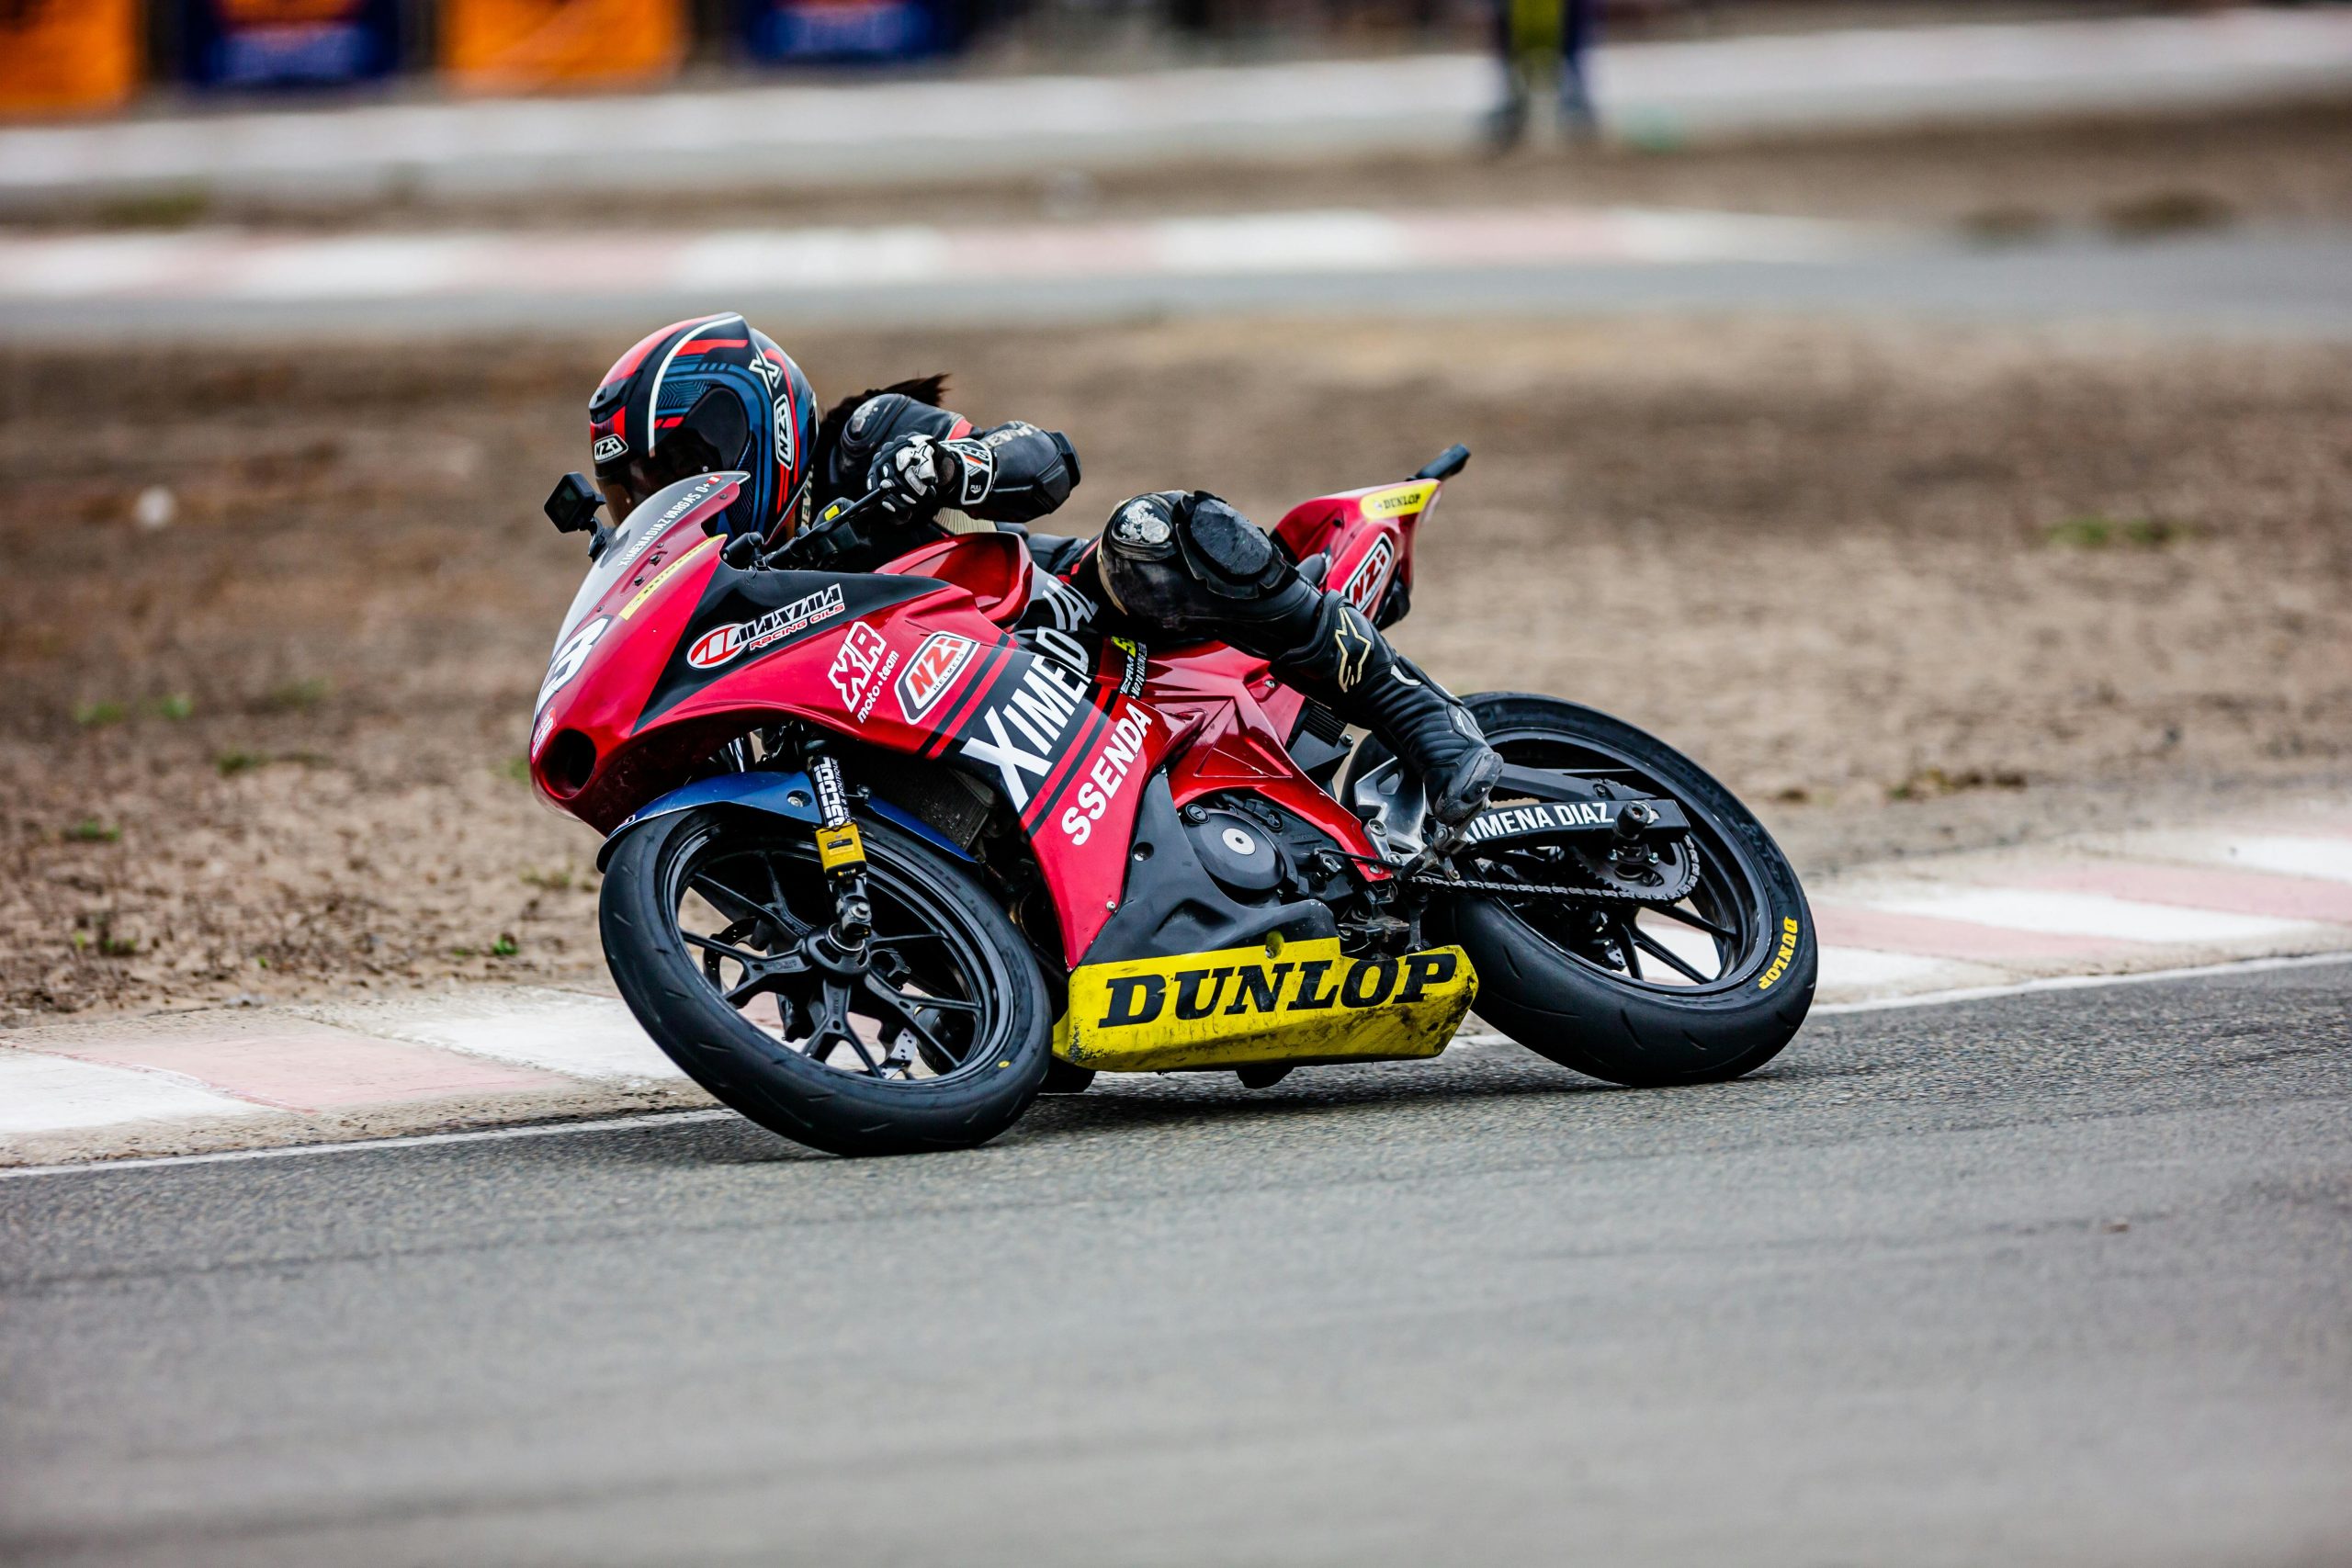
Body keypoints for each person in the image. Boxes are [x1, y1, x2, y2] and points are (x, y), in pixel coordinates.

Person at [585, 313, 1500, 829]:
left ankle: (1416, 713)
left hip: (1082, 631)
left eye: (678, 465)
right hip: (966, 737)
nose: (673, 495)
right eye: (638, 492)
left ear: (756, 425)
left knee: (1152, 530)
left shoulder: (859, 446)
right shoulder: (733, 597)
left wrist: (957, 467)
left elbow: (1047, 461)